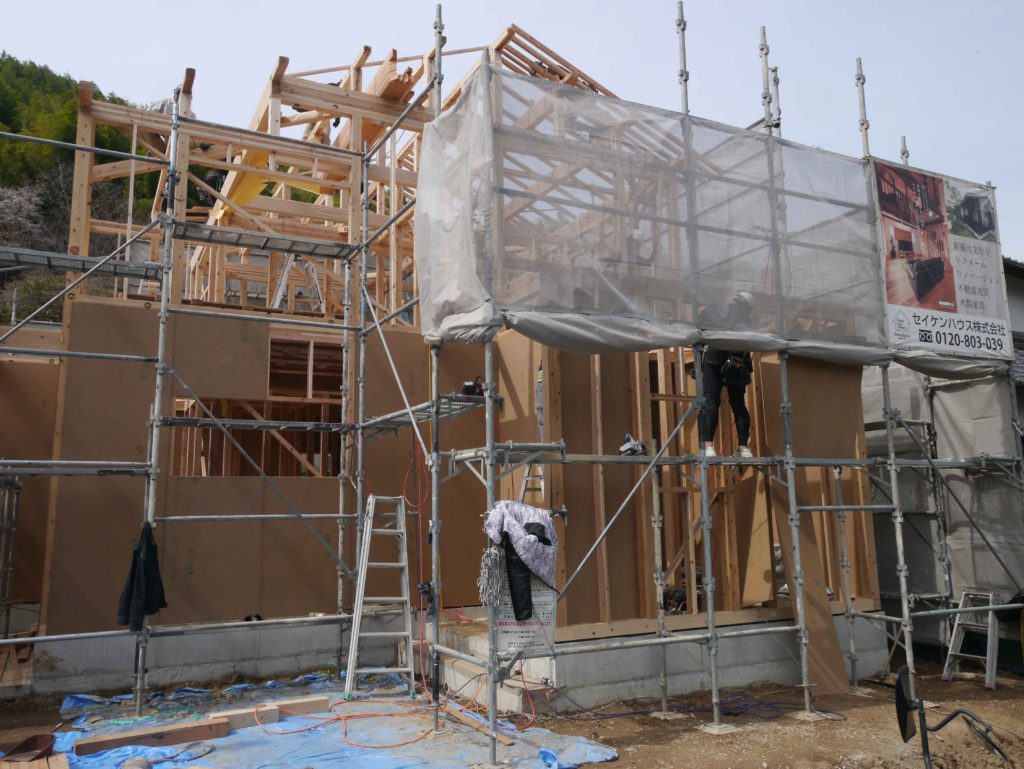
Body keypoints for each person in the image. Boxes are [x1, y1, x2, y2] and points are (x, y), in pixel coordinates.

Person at [699, 291, 755, 459]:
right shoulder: (746, 320)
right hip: (738, 363)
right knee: (738, 404)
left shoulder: (716, 310)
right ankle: (743, 448)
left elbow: (700, 328)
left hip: (714, 359)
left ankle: (709, 447)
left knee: (711, 401)